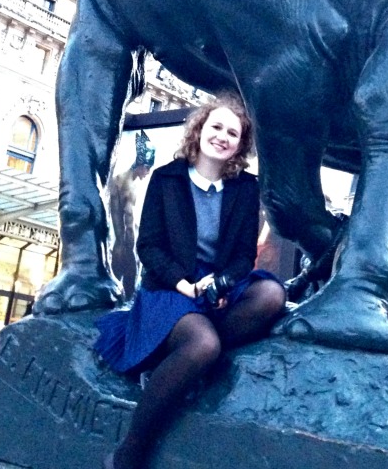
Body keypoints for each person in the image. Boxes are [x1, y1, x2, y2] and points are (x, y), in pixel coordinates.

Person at [95, 94, 287, 469]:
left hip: (217, 283)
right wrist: (184, 284)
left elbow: (243, 256)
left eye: (232, 133)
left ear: (240, 144)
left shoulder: (246, 188)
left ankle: (178, 363)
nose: (222, 136)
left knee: (271, 295)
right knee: (203, 344)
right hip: (170, 286)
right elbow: (148, 246)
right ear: (199, 130)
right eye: (216, 127)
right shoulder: (166, 178)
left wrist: (222, 283)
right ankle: (126, 456)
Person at [109, 130, 156, 299]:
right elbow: (129, 221)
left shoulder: (117, 179)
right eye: (147, 168)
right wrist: (134, 252)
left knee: (113, 293)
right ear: (141, 164)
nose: (148, 172)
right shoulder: (130, 187)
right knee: (129, 297)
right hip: (127, 248)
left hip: (117, 246)